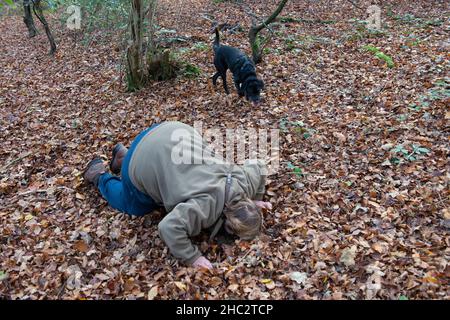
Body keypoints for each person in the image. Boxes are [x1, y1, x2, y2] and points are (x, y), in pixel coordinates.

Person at [83, 121, 271, 269]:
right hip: (143, 159)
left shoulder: (245, 183)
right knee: (134, 203)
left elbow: (260, 165)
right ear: (228, 226)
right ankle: (99, 176)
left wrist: (256, 197)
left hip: (171, 130)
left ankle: (125, 155)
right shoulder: (206, 207)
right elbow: (168, 227)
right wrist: (193, 257)